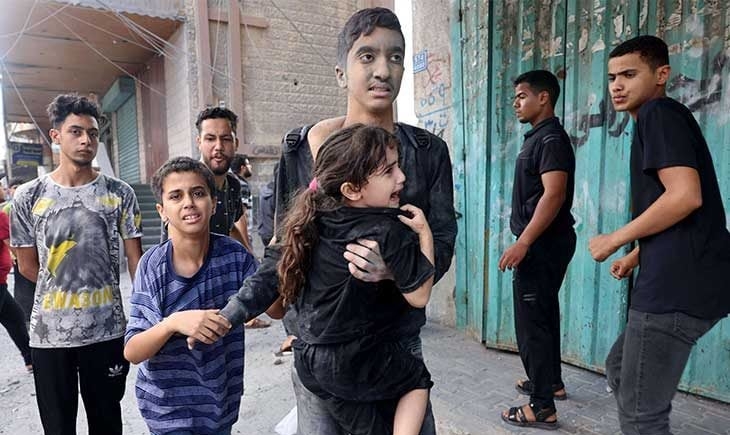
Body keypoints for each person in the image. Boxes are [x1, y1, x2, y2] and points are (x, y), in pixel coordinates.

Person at [216, 8, 457, 435]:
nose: (383, 70)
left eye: (395, 57)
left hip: (394, 345)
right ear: (341, 73)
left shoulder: (427, 151)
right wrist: (250, 309)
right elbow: (284, 243)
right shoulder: (301, 149)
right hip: (319, 346)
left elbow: (442, 238)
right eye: (367, 56)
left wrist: (393, 271)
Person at [589, 35, 730, 434]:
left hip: (674, 288)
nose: (617, 86)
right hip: (684, 278)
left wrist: (615, 239)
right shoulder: (661, 119)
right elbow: (678, 210)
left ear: (661, 74)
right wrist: (636, 255)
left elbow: (685, 196)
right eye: (612, 77)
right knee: (620, 368)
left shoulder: (658, 114)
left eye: (629, 75)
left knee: (641, 417)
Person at [274, 124, 434, 434]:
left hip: (311, 360)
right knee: (417, 380)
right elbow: (420, 296)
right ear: (351, 189)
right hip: (358, 359)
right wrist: (424, 234)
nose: (402, 177)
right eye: (389, 171)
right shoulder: (388, 229)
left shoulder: (311, 222)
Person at [10, 93, 143, 435]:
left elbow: (136, 260)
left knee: (107, 423)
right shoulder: (28, 196)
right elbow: (27, 266)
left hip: (107, 331)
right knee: (58, 428)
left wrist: (142, 315)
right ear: (56, 135)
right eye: (76, 131)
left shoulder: (119, 193)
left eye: (93, 133)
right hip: (49, 337)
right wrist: (66, 291)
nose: (86, 140)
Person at [124, 156, 257, 435]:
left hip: (221, 405)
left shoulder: (235, 257)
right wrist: (173, 323)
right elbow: (133, 351)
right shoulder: (153, 266)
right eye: (176, 196)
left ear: (214, 203)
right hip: (169, 412)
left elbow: (277, 307)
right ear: (162, 211)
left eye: (198, 193)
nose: (189, 203)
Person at [498, 70, 575, 430]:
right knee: (543, 315)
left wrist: (524, 242)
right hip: (545, 242)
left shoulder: (550, 140)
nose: (516, 103)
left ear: (543, 98)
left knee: (532, 325)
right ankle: (550, 382)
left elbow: (554, 194)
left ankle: (542, 406)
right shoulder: (540, 138)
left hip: (542, 244)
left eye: (522, 96)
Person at [0, 206, 32, 372]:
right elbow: (14, 246)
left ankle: (30, 359)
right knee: (15, 318)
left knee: (15, 317)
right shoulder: (0, 217)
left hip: (1, 282)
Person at [3, 177, 34, 324]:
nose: (19, 190)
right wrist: (15, 254)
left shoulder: (31, 204)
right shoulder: (8, 209)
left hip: (29, 253)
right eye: (15, 187)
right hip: (18, 255)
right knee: (23, 288)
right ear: (10, 190)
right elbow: (7, 237)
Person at [230, 153, 255, 250]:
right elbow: (241, 217)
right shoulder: (242, 185)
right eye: (248, 164)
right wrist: (246, 245)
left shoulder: (233, 183)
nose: (250, 167)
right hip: (243, 236)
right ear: (242, 168)